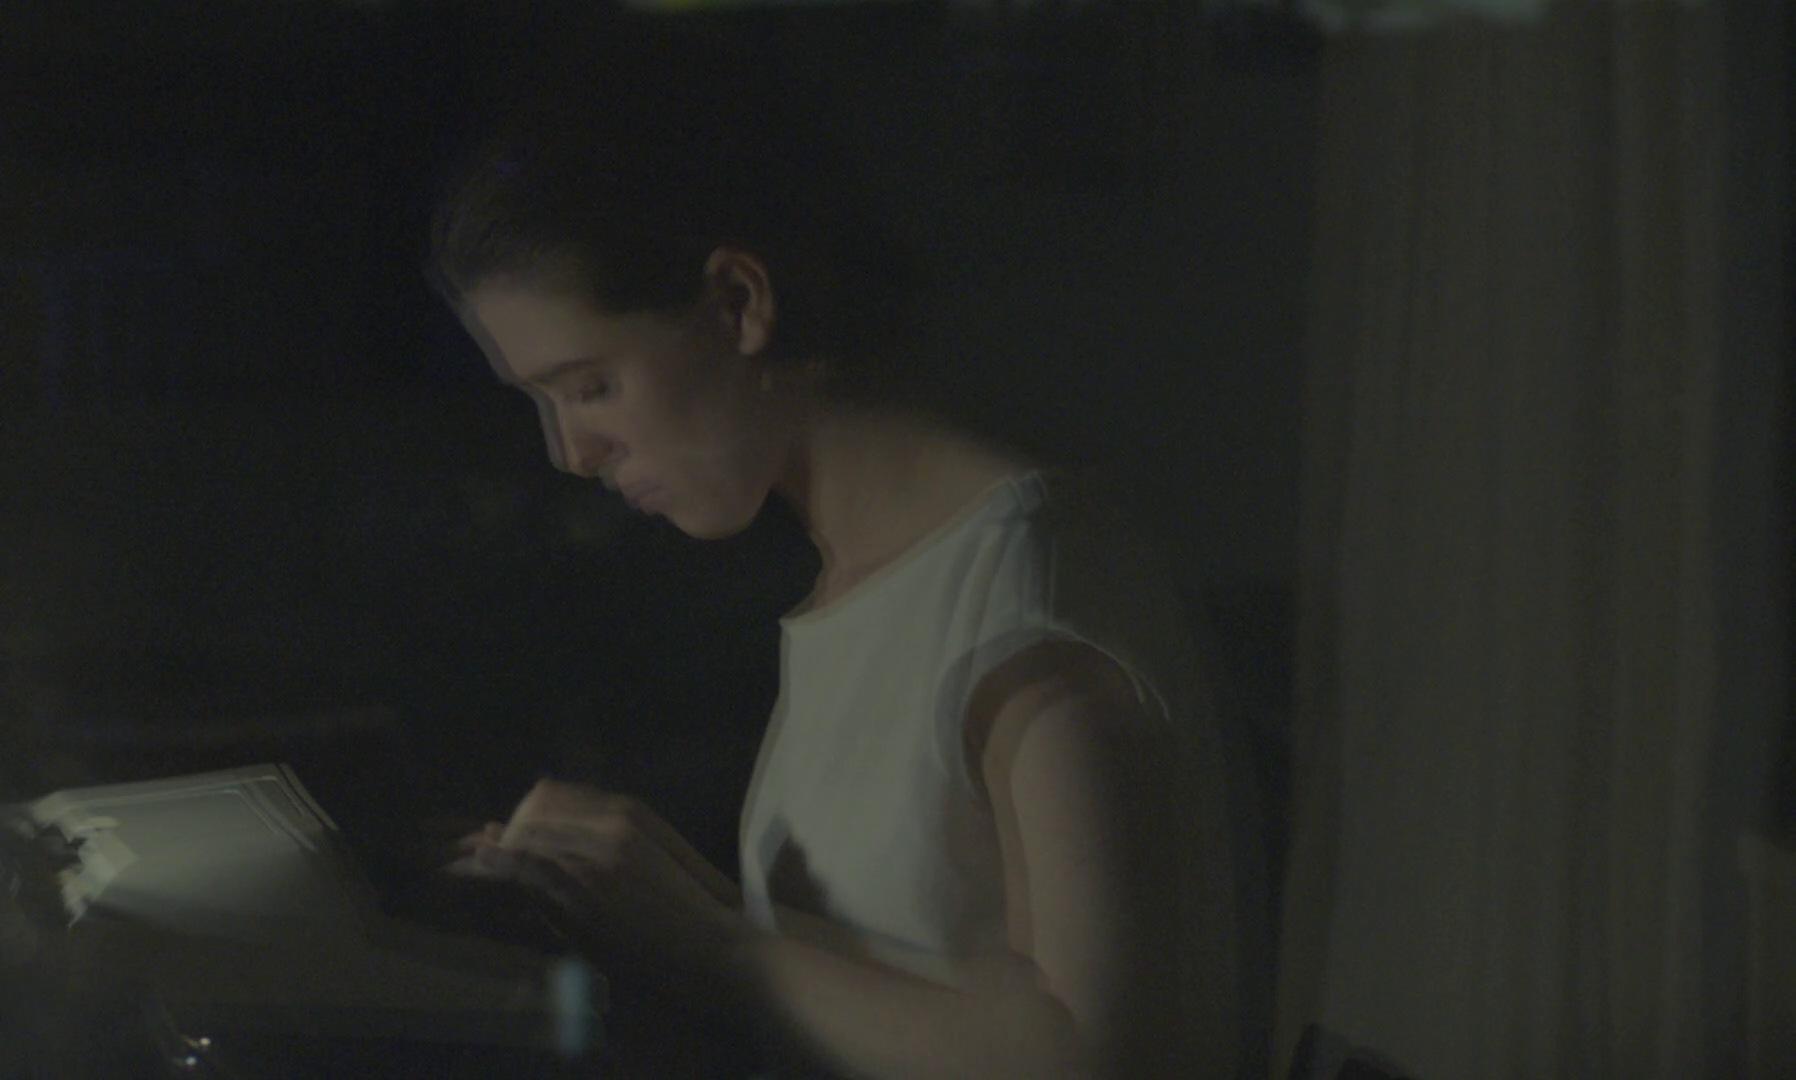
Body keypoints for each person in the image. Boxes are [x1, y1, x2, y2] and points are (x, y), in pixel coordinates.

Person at [430, 26, 1248, 1079]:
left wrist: (711, 940)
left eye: (590, 387)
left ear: (739, 303)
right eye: (542, 402)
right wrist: (653, 901)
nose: (572, 452)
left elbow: (1092, 1057)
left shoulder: (1017, 593)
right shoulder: (865, 582)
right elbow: (910, 973)